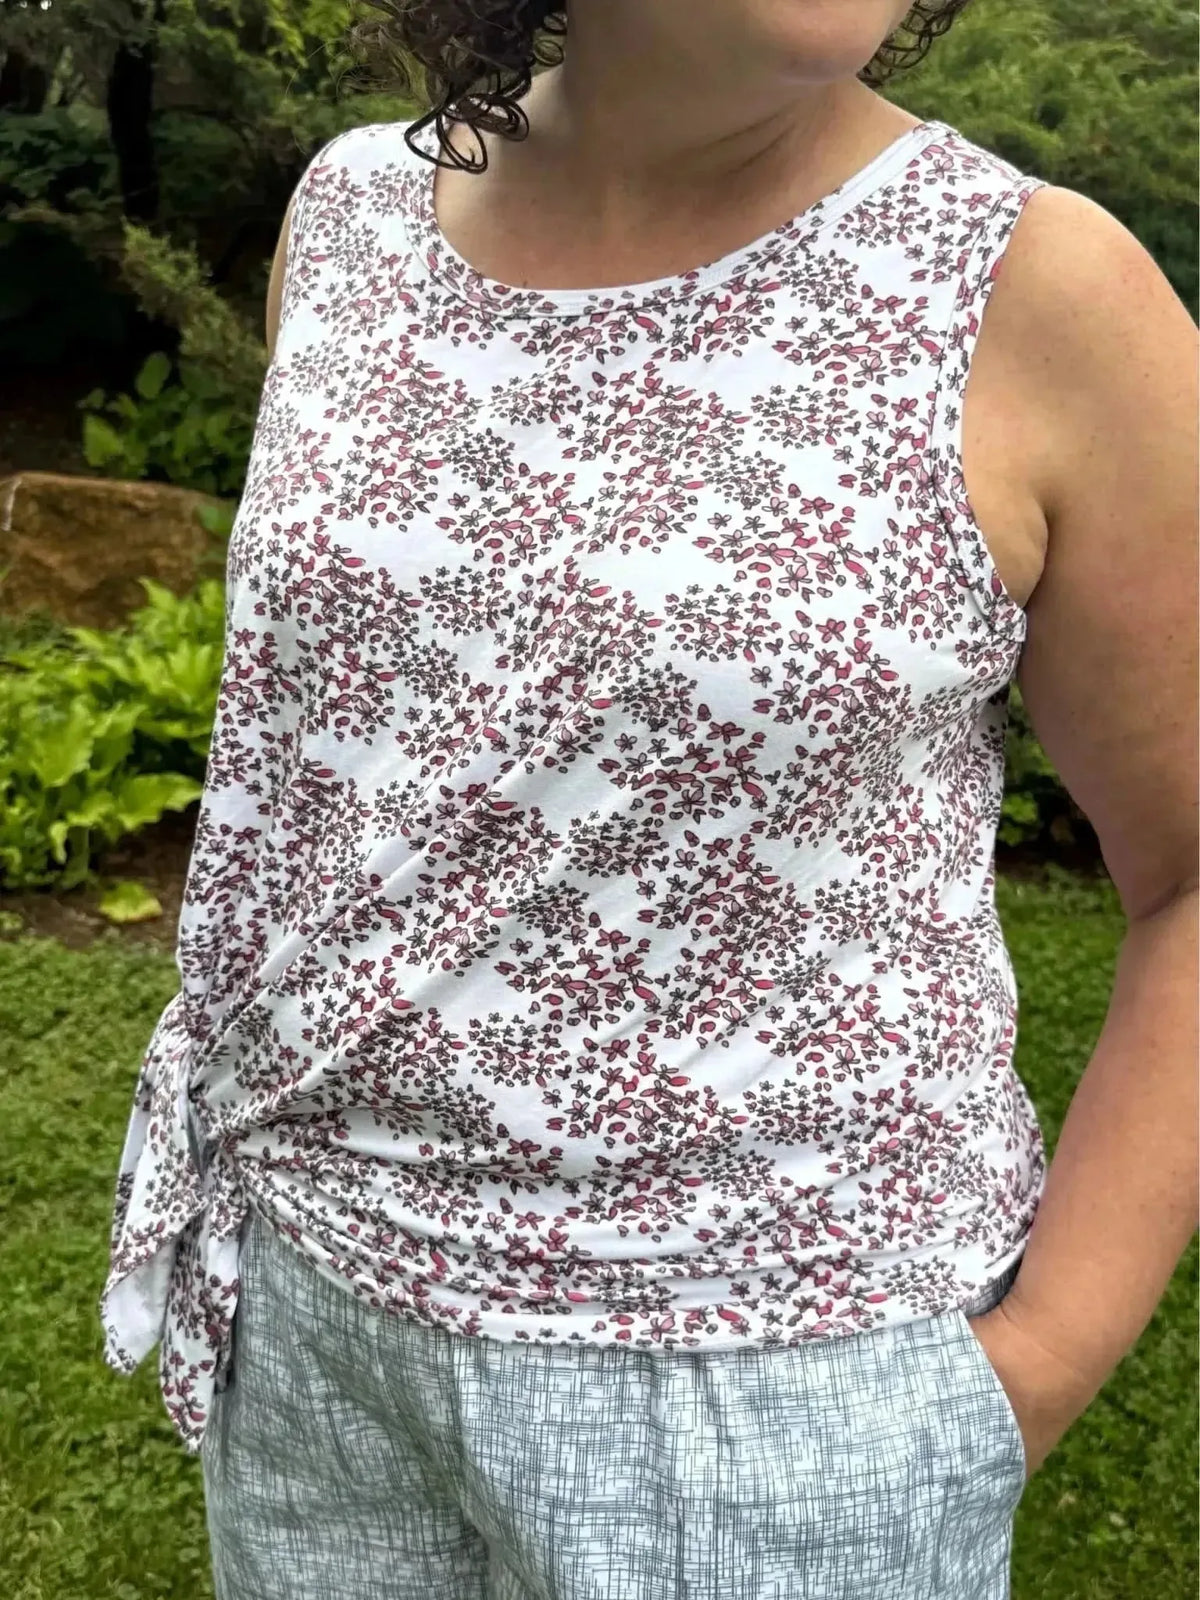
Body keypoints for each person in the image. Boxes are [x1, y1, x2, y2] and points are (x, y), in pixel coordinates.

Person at [100, 2, 1199, 1596]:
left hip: (776, 1386)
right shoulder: (351, 214)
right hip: (317, 1313)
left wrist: (1024, 1372)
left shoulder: (1032, 291)